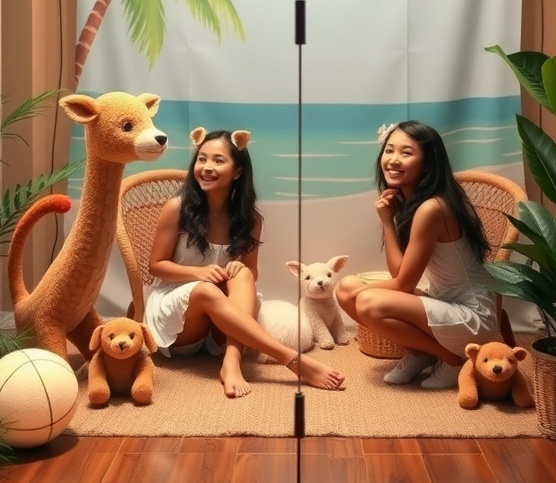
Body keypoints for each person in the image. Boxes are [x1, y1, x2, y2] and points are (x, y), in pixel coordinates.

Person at [144, 127, 345, 397]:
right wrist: (198, 273)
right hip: (178, 318)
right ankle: (291, 359)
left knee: (244, 274)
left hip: (221, 321)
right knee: (206, 290)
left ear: (237, 171)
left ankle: (231, 360)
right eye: (202, 159)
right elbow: (156, 265)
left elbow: (252, 270)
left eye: (218, 160)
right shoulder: (176, 208)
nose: (207, 167)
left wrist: (240, 267)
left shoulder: (250, 220)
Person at [335, 120, 498, 389]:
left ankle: (451, 359)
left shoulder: (432, 208)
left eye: (406, 153)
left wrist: (361, 294)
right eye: (389, 150)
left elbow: (404, 284)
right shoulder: (413, 203)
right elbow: (399, 274)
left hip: (472, 318)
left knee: (364, 300)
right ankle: (421, 354)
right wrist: (388, 221)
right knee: (346, 287)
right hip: (444, 304)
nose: (393, 159)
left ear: (428, 162)